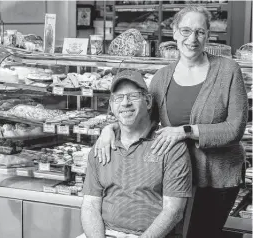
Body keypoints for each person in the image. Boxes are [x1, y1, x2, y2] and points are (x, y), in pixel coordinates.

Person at [94, 6, 248, 238]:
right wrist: (110, 128)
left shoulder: (228, 70)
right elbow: (143, 119)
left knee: (200, 234)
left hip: (216, 176)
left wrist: (184, 131)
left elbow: (234, 128)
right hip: (172, 176)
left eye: (199, 32)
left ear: (208, 35)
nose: (192, 39)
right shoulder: (162, 77)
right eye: (185, 31)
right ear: (174, 33)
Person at [79, 70, 192, 238]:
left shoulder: (171, 146)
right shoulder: (102, 147)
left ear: (147, 101)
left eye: (133, 96)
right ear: (111, 105)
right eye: (119, 98)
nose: (125, 103)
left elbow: (173, 211)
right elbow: (90, 206)